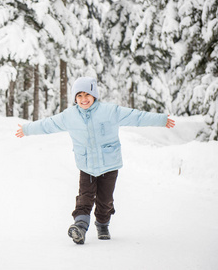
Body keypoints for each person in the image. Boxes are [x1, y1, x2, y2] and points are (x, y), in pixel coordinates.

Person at [15, 77, 175, 245]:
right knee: (84, 198)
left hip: (110, 165)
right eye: (79, 96)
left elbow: (137, 117)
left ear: (94, 95)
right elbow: (48, 125)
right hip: (87, 166)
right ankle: (80, 227)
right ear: (75, 98)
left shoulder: (110, 111)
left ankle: (103, 224)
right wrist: (27, 129)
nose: (84, 99)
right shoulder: (69, 116)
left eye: (87, 95)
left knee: (105, 200)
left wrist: (161, 119)